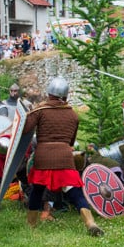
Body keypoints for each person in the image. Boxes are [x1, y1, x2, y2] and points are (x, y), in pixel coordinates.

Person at [19, 76, 103, 236]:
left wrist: (30, 113)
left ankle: (31, 224)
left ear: (49, 93)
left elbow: (24, 129)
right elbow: (71, 141)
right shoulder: (73, 114)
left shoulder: (40, 111)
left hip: (43, 157)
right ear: (65, 95)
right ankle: (90, 222)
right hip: (65, 157)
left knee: (37, 189)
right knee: (74, 189)